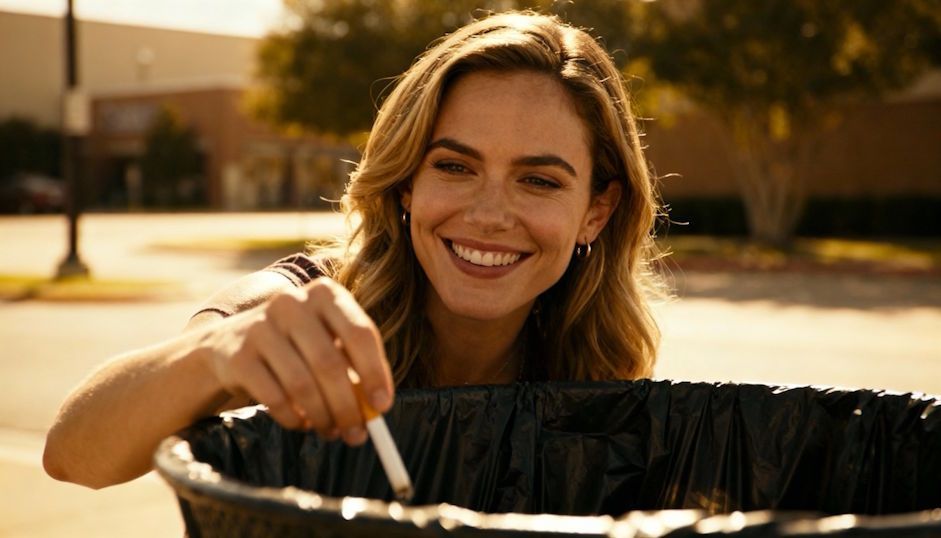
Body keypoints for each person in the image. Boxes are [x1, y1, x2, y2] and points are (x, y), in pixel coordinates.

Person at [43, 10, 664, 490]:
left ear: (596, 212)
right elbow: (73, 454)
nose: (488, 215)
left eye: (539, 180)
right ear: (405, 183)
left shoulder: (600, 369)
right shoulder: (305, 305)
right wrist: (216, 352)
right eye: (453, 166)